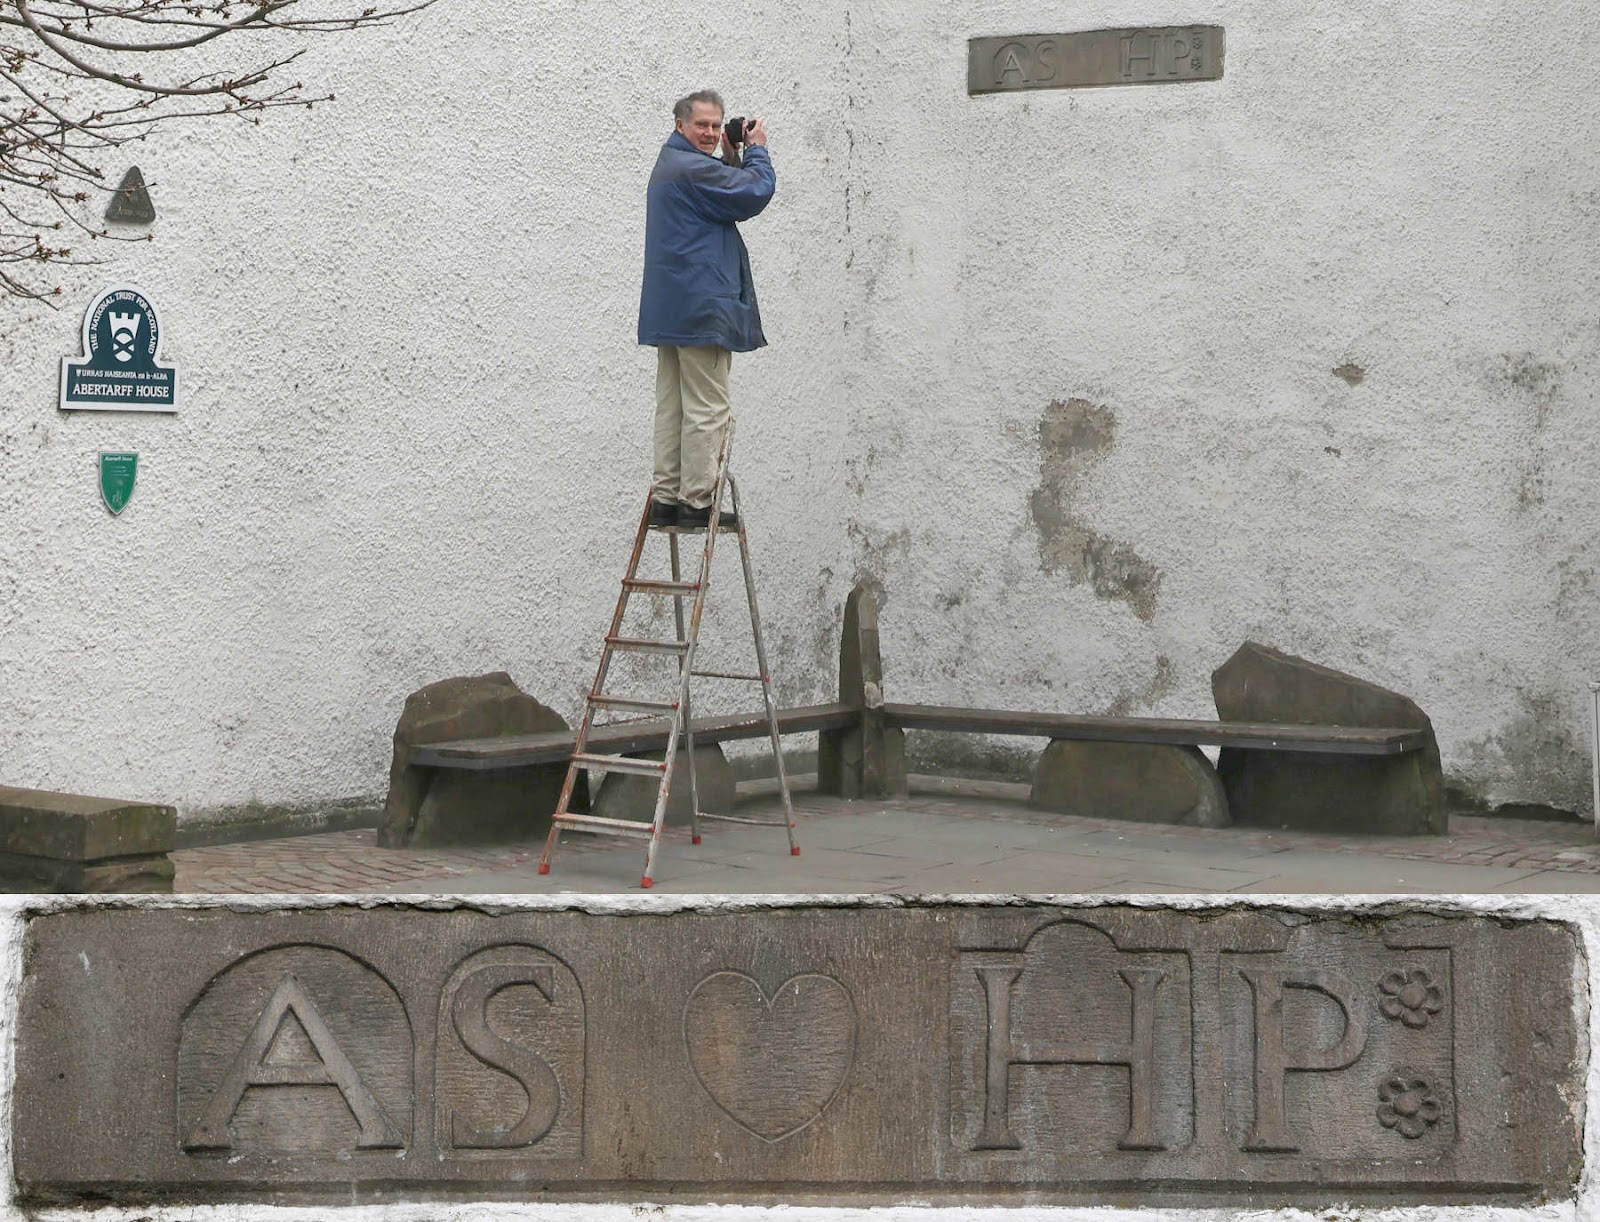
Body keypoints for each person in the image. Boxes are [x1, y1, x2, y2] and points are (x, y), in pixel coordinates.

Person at [638, 89, 775, 530]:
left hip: (672, 309)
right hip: (702, 309)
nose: (711, 133)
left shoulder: (675, 165)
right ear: (680, 124)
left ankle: (666, 497)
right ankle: (696, 502)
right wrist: (757, 151)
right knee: (708, 407)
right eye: (702, 125)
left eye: (717, 126)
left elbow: (720, 195)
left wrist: (731, 157)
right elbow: (754, 192)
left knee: (673, 405)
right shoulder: (692, 168)